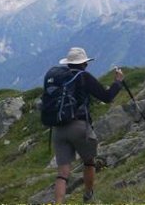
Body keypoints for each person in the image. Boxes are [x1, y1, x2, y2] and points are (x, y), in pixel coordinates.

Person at [50, 47, 124, 204]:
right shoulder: (84, 77)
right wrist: (117, 82)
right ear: (84, 63)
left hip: (58, 128)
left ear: (69, 63)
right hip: (79, 126)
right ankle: (88, 196)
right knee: (89, 161)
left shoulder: (58, 77)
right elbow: (106, 97)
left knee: (63, 172)